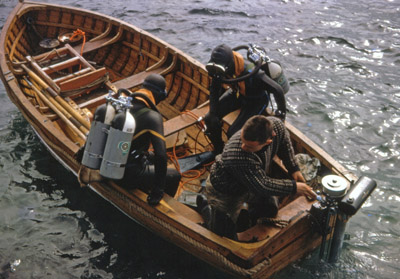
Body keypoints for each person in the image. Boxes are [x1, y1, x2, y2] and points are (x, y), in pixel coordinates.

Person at [200, 115, 317, 238]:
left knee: (270, 207)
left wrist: (293, 168)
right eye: (242, 140)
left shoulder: (275, 125)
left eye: (249, 146)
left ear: (268, 141)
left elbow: (283, 139)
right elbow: (262, 186)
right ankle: (205, 206)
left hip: (252, 181)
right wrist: (294, 187)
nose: (243, 147)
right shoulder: (238, 156)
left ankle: (249, 222)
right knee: (221, 234)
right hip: (225, 190)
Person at [79, 74, 181, 206]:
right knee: (174, 175)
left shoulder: (120, 103)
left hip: (104, 163)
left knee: (149, 157)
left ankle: (102, 174)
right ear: (160, 96)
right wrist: (158, 190)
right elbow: (161, 156)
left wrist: (83, 151)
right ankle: (164, 205)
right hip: (126, 177)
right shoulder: (153, 117)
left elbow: (99, 131)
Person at [204, 44, 288, 154]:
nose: (217, 74)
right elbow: (214, 89)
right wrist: (213, 113)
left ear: (230, 65)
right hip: (238, 94)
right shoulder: (220, 68)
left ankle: (237, 156)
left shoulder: (252, 72)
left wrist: (281, 115)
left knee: (233, 133)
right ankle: (219, 150)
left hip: (256, 101)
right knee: (210, 119)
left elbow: (278, 90)